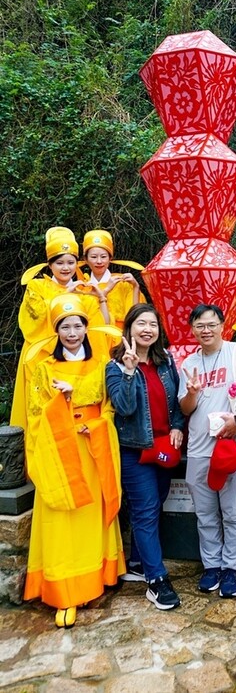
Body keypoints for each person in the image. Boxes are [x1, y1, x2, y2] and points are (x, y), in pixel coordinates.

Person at [23, 295, 124, 628]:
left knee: (90, 517)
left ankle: (96, 580)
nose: (72, 332)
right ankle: (64, 592)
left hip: (92, 449)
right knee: (61, 520)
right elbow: (35, 416)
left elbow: (109, 410)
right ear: (56, 331)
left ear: (86, 327)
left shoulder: (102, 365)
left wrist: (93, 424)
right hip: (59, 452)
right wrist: (63, 401)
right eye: (65, 326)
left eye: (77, 325)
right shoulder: (43, 369)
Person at [178, 304, 236, 599]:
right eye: (200, 326)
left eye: (211, 324)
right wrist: (191, 393)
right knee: (205, 514)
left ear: (222, 325)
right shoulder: (188, 362)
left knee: (233, 512)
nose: (206, 330)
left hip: (233, 446)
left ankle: (231, 569)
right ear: (192, 330)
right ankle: (211, 566)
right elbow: (185, 409)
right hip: (200, 449)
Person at [106, 303, 185, 611]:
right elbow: (124, 408)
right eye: (141, 323)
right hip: (134, 449)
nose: (147, 329)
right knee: (146, 508)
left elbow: (177, 400)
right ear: (129, 328)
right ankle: (156, 579)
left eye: (153, 324)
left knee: (158, 500)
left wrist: (178, 426)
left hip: (164, 447)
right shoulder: (114, 366)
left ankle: (138, 562)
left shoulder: (165, 362)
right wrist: (128, 371)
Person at [11, 227, 110, 430]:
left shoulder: (85, 291)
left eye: (71, 262)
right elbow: (33, 322)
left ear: (78, 263)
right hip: (42, 359)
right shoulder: (36, 287)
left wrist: (98, 297)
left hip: (78, 362)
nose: (66, 268)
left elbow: (99, 330)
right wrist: (66, 295)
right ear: (49, 264)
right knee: (42, 414)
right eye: (59, 262)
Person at [82, 229, 145, 330]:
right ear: (86, 260)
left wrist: (135, 287)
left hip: (121, 338)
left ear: (110, 258)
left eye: (103, 257)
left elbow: (136, 316)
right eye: (93, 257)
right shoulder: (82, 287)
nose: (99, 261)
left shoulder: (123, 283)